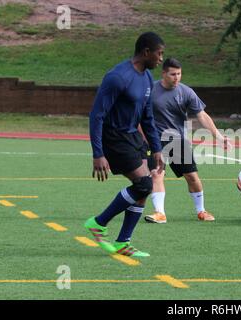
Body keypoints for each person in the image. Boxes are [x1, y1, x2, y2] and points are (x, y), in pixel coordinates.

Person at [84, 32, 165, 258]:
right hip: (114, 139)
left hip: (133, 138)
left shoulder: (147, 77)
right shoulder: (118, 77)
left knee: (143, 190)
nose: (161, 59)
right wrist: (98, 153)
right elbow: (96, 115)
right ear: (146, 52)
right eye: (159, 54)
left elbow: (147, 117)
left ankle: (123, 242)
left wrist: (156, 148)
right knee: (144, 185)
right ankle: (98, 223)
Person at [143, 57, 232, 224]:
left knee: (191, 177)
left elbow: (202, 115)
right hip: (155, 140)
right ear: (164, 73)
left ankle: (201, 210)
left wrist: (218, 136)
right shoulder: (150, 90)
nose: (176, 77)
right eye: (172, 74)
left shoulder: (186, 92)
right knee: (156, 173)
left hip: (177, 140)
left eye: (179, 74)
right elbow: (138, 113)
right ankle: (160, 213)